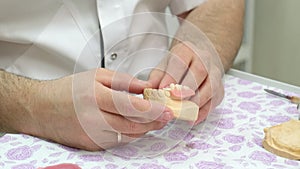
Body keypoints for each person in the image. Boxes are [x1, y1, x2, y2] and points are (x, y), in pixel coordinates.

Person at [0, 0, 245, 151]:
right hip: (18, 135)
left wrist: (200, 45)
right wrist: (31, 105)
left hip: (163, 135)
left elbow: (217, 4)